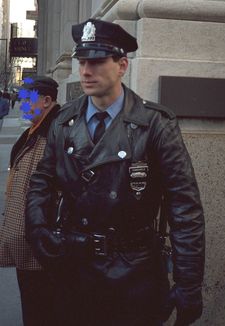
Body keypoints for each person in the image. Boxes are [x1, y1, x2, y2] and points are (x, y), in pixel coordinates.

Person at [25, 19, 205, 326]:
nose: (85, 71)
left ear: (121, 65)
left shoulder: (156, 124)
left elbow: (184, 208)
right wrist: (38, 229)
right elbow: (42, 180)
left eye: (96, 62)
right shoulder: (64, 122)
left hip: (134, 276)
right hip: (74, 270)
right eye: (82, 62)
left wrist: (189, 285)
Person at [0, 76, 61, 326]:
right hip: (27, 241)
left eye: (27, 100)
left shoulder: (53, 135)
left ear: (47, 101)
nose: (22, 105)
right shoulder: (35, 130)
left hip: (38, 244)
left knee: (40, 310)